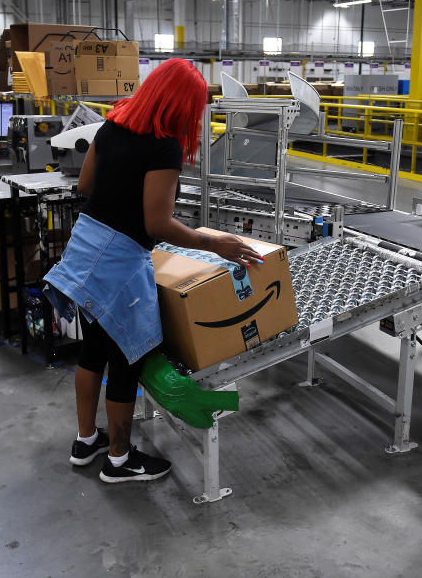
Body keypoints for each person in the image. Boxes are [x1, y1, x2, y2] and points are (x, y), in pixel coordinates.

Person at [44, 58, 264, 483]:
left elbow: (85, 186)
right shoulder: (163, 147)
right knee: (126, 358)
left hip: (84, 249)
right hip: (118, 263)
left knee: (92, 351)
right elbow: (156, 225)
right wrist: (213, 241)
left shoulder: (113, 123)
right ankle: (120, 461)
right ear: (184, 106)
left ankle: (86, 440)